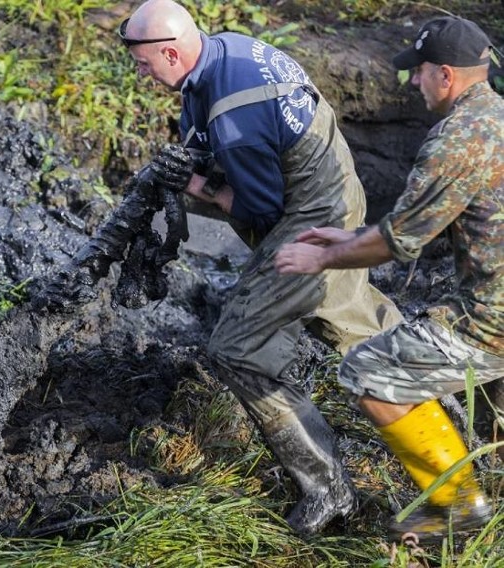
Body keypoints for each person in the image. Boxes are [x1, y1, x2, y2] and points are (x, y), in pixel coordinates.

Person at [116, 0, 404, 536]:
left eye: (143, 63)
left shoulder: (234, 117)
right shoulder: (219, 52)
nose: (141, 73)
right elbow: (212, 134)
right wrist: (193, 160)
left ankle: (328, 487)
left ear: (172, 52)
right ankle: (464, 401)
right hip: (332, 183)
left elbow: (259, 210)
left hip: (313, 213)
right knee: (357, 327)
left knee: (236, 349)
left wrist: (198, 187)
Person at [275, 16, 503, 542]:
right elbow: (416, 220)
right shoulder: (495, 117)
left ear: (446, 75)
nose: (413, 83)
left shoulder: (458, 139)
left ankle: (457, 507)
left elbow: (401, 242)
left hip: (492, 319)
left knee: (369, 370)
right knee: (496, 415)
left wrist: (322, 260)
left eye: (419, 73)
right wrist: (346, 236)